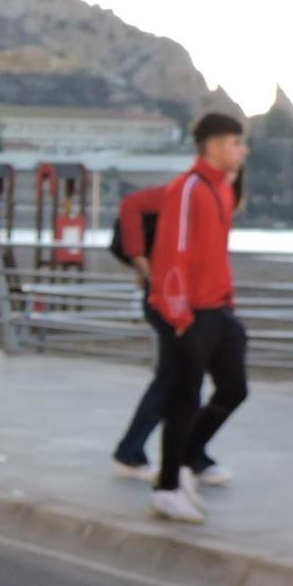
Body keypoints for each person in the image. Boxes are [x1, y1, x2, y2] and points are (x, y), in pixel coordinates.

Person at [148, 113, 250, 524]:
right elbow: (172, 252)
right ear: (213, 145)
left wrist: (227, 301)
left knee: (234, 389)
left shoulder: (222, 189)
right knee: (183, 400)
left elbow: (214, 251)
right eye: (235, 142)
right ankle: (168, 487)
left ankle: (187, 458)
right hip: (190, 314)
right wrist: (178, 314)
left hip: (220, 310)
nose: (242, 151)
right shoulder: (188, 189)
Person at [108, 184, 172, 479]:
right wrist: (140, 259)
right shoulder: (186, 189)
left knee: (180, 379)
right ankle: (132, 451)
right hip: (170, 295)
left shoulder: (212, 193)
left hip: (179, 294)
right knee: (175, 379)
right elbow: (131, 204)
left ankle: (133, 450)